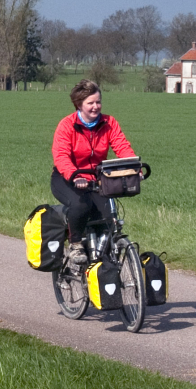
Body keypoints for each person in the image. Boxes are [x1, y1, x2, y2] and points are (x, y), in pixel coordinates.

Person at [50, 79, 136, 261]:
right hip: (66, 178)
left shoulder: (109, 123)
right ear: (79, 104)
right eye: (90, 103)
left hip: (96, 179)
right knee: (81, 205)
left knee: (107, 220)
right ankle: (75, 245)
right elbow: (61, 156)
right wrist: (74, 176)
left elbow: (122, 147)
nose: (96, 107)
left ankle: (102, 265)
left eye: (98, 102)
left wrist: (133, 168)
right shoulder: (67, 125)